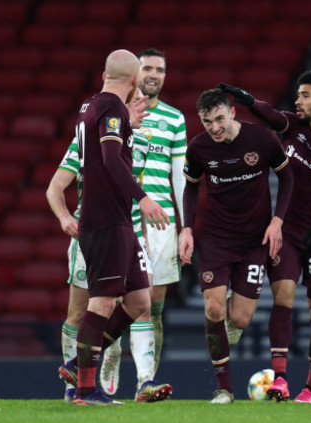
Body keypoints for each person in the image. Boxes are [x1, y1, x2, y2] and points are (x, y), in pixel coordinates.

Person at [219, 69, 311, 403]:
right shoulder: (292, 126)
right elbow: (271, 114)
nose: (297, 100)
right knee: (282, 298)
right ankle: (280, 379)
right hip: (288, 232)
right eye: (297, 94)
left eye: (304, 95)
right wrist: (248, 100)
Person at [55, 49, 170, 406]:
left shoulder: (91, 106)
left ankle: (77, 365)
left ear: (105, 74)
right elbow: (109, 159)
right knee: (102, 301)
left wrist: (130, 128)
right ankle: (86, 391)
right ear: (135, 80)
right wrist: (144, 198)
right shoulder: (111, 109)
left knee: (139, 302)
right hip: (106, 219)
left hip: (117, 222)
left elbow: (106, 150)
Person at [179, 89, 293, 404]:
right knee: (214, 308)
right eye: (206, 121)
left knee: (240, 319)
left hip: (254, 240)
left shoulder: (263, 139)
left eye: (218, 118)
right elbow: (190, 189)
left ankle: (220, 329)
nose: (213, 127)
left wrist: (277, 221)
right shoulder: (198, 148)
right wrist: (187, 228)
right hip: (215, 238)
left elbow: (287, 178)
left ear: (231, 111)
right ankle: (224, 388)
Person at [130, 48, 187, 374]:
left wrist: (186, 227)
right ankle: (108, 369)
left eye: (160, 70)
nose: (154, 74)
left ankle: (147, 380)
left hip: (162, 221)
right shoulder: (117, 112)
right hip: (124, 219)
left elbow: (180, 178)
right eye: (148, 68)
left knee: (153, 308)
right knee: (115, 304)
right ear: (136, 74)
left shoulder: (175, 118)